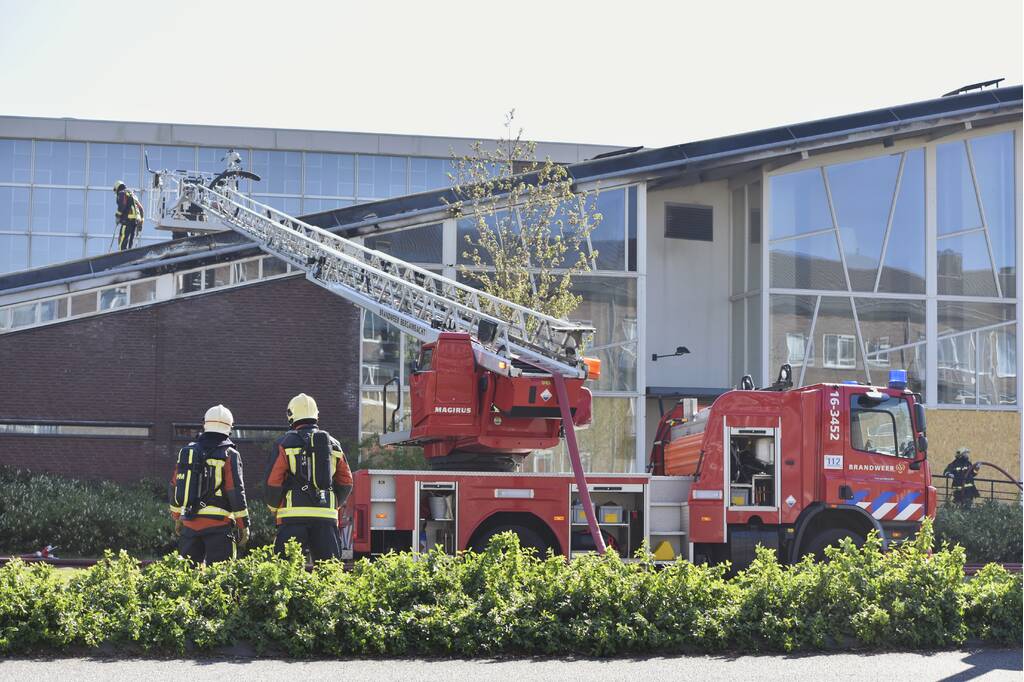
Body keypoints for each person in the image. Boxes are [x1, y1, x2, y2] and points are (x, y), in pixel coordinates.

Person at [264, 393, 352, 561]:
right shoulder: (333, 444)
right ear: (316, 415)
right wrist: (333, 503)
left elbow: (273, 482)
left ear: (291, 415)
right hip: (326, 517)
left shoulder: (284, 443)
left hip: (292, 518)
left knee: (286, 572)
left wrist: (275, 507)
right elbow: (346, 481)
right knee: (329, 572)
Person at [169, 405, 250, 563]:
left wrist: (177, 517)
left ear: (204, 424)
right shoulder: (230, 454)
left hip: (190, 524)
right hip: (219, 526)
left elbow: (175, 485)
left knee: (186, 579)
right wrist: (243, 525)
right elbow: (235, 490)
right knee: (220, 579)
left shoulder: (189, 452)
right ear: (230, 427)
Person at [113, 180, 144, 250]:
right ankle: (129, 255)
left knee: (122, 239)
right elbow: (141, 209)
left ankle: (121, 255)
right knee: (131, 241)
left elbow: (122, 206)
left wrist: (117, 216)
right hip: (135, 222)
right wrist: (141, 223)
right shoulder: (132, 195)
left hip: (126, 221)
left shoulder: (122, 193)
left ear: (117, 188)